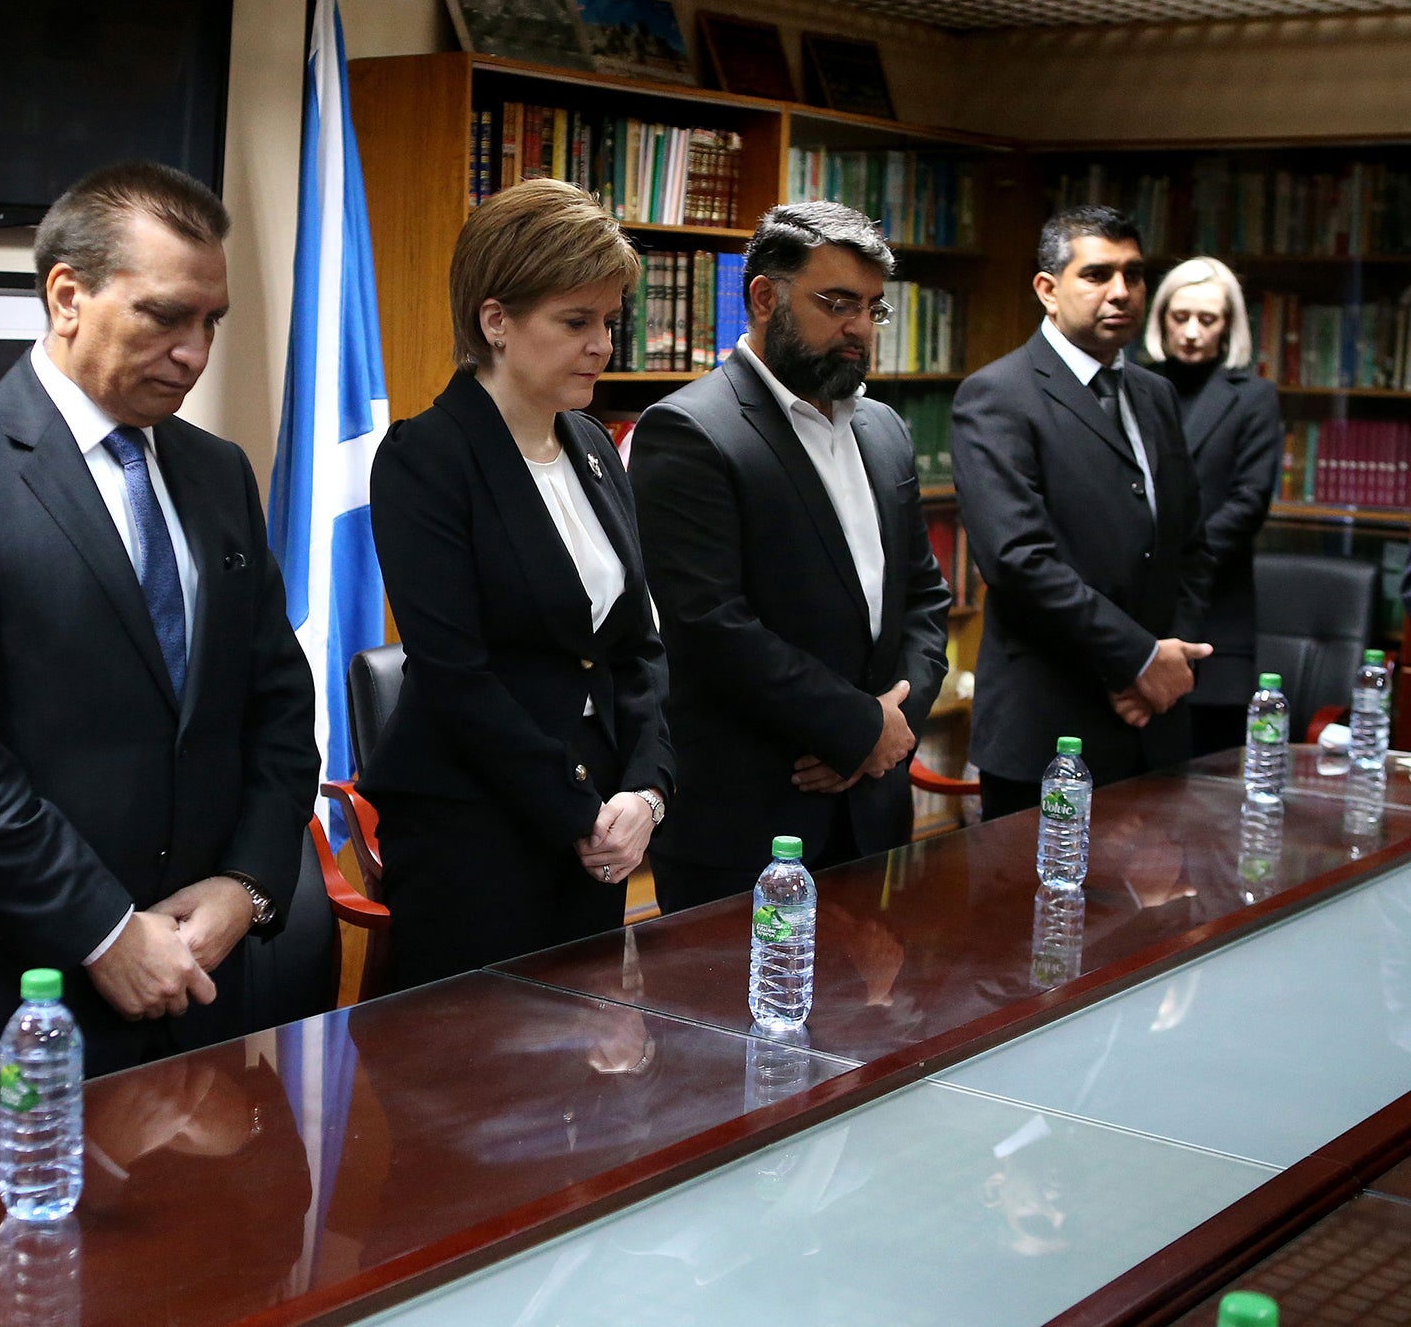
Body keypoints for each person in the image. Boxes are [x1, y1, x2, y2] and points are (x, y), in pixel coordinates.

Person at [0, 161, 317, 1113]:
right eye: (164, 316)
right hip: (23, 1004)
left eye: (211, 323)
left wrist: (248, 885)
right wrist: (106, 931)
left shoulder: (218, 473)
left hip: (205, 978)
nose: (194, 352)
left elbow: (275, 701)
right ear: (68, 296)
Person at [359, 179, 673, 989]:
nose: (603, 344)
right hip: (472, 829)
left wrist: (646, 790)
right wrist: (579, 812)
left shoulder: (597, 446)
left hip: (598, 824)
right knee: (474, 1092)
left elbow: (637, 649)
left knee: (583, 1086)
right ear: (495, 321)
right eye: (576, 322)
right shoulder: (425, 457)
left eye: (609, 321)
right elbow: (457, 674)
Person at [630, 202, 951, 912]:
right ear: (765, 297)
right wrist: (856, 729)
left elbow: (925, 600)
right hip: (748, 821)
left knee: (868, 1021)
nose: (859, 328)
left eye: (873, 309)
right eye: (837, 303)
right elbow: (712, 624)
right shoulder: (687, 431)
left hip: (871, 809)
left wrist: (890, 729)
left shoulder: (884, 429)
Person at [952, 206, 1213, 819]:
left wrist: (1167, 665)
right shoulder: (997, 396)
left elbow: (1191, 547)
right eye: (1096, 275)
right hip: (1049, 727)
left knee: (1164, 915)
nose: (1120, 292)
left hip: (1157, 726)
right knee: (1037, 914)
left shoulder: (1155, 394)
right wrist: (1138, 662)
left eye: (1133, 274)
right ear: (1048, 289)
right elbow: (1018, 561)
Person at [1143, 257, 1283, 755]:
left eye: (1207, 319)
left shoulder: (1254, 397)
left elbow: (1248, 504)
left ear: (1229, 326)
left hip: (1218, 616)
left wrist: (1177, 560)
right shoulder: (1136, 386)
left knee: (1211, 780)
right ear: (1161, 319)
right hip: (1138, 614)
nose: (1192, 331)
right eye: (1180, 317)